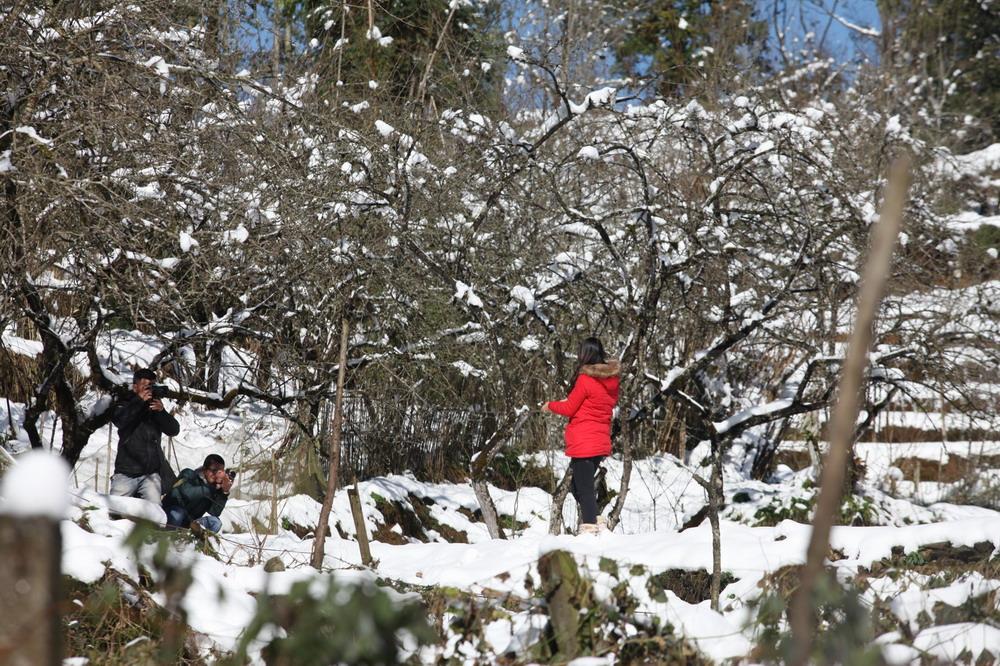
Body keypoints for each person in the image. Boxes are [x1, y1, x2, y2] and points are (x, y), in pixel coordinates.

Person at [544, 337, 620, 535]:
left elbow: (569, 408)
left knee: (583, 489)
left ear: (585, 354)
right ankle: (595, 519)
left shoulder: (586, 379)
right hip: (600, 441)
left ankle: (590, 529)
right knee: (578, 487)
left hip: (585, 442)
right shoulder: (611, 381)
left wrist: (550, 405)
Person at [110, 368, 180, 503]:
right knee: (114, 509)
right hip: (126, 472)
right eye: (146, 387)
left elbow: (173, 430)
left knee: (155, 515)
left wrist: (161, 412)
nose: (149, 390)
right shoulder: (125, 403)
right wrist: (138, 401)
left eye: (152, 386)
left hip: (150, 474)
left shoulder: (154, 406)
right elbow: (120, 421)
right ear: (135, 387)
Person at [162, 453, 232, 533]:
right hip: (169, 516)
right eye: (213, 471)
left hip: (189, 523)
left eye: (219, 471)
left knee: (216, 522)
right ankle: (166, 540)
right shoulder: (189, 474)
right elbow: (187, 493)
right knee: (178, 513)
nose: (215, 474)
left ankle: (197, 542)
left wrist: (224, 492)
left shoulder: (215, 488)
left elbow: (214, 512)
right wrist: (212, 488)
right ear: (204, 469)